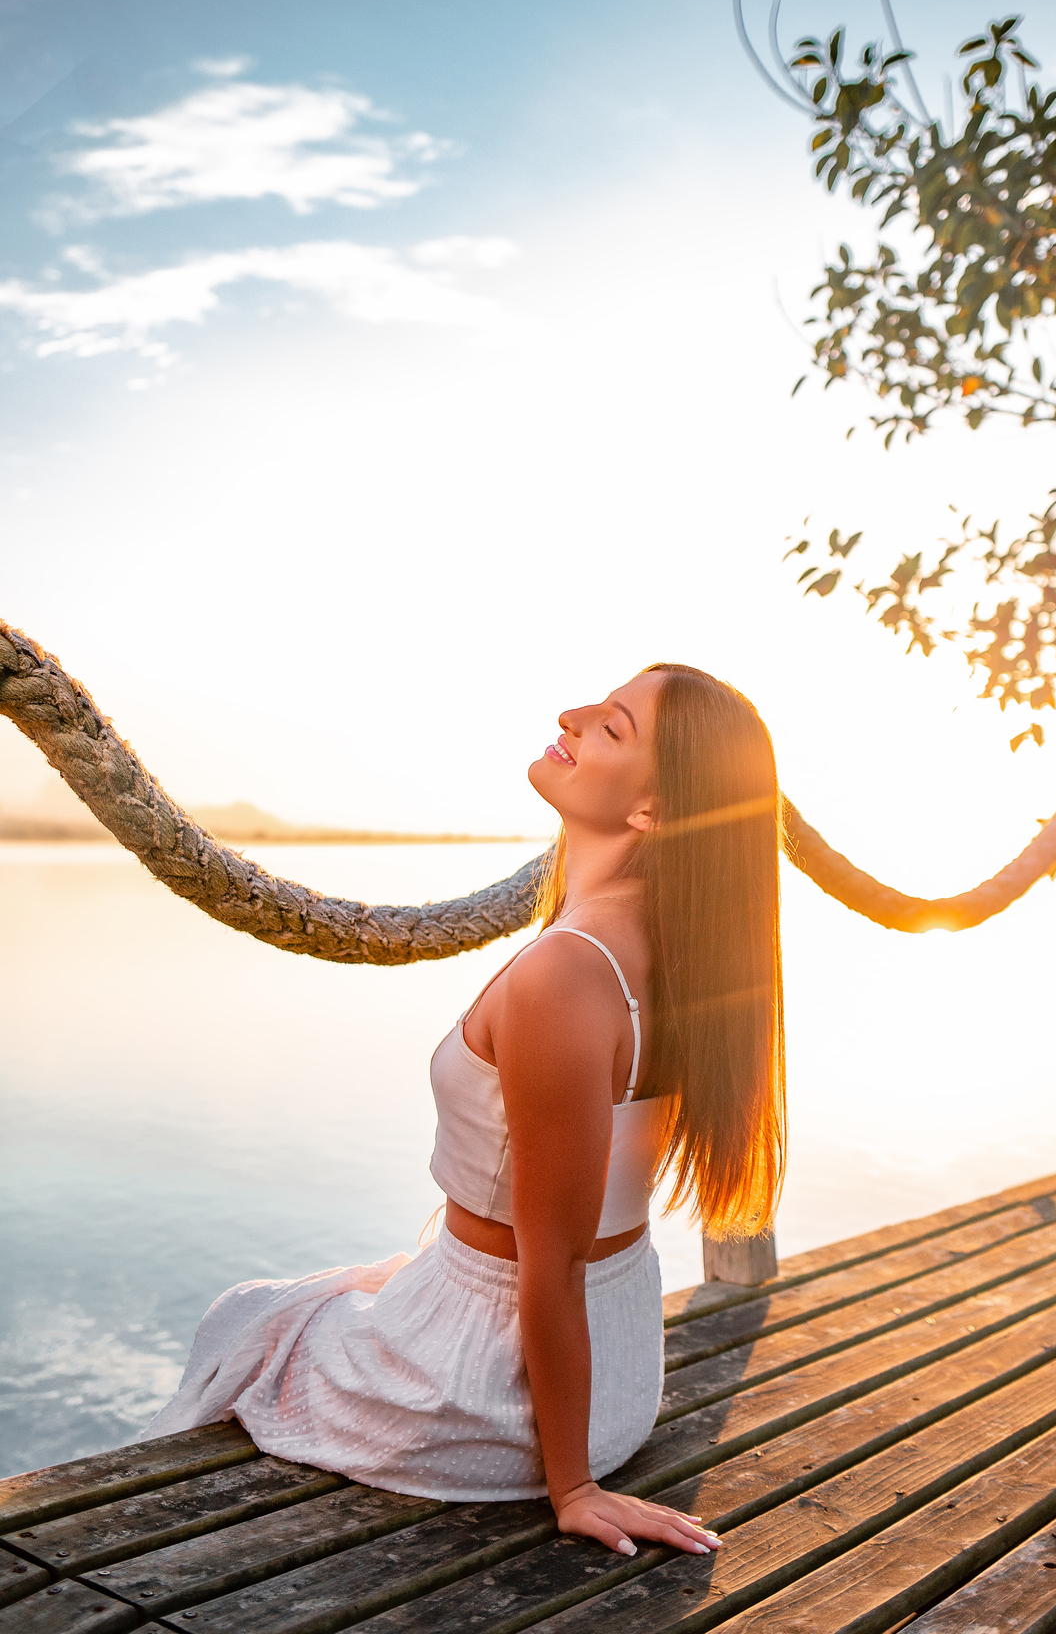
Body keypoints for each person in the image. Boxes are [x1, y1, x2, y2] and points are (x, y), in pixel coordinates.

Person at [142, 663, 787, 1560]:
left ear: (654, 810)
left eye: (611, 728)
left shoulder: (568, 973)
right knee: (341, 1291)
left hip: (489, 1394)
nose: (572, 713)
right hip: (618, 1375)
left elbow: (549, 1262)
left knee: (251, 1316)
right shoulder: (683, 946)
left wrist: (573, 1488)